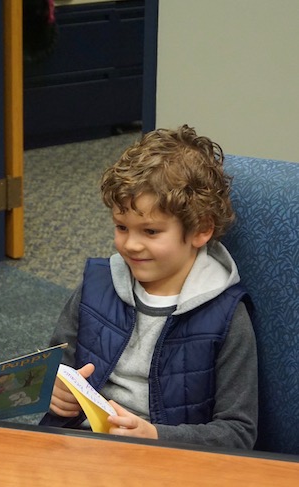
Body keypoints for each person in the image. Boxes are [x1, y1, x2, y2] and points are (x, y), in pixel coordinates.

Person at [40, 125, 258, 449]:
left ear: (200, 230)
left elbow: (238, 434)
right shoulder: (96, 285)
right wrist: (53, 389)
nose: (130, 245)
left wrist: (156, 436)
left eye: (151, 231)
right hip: (82, 445)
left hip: (168, 459)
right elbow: (55, 367)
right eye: (121, 227)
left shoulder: (228, 317)